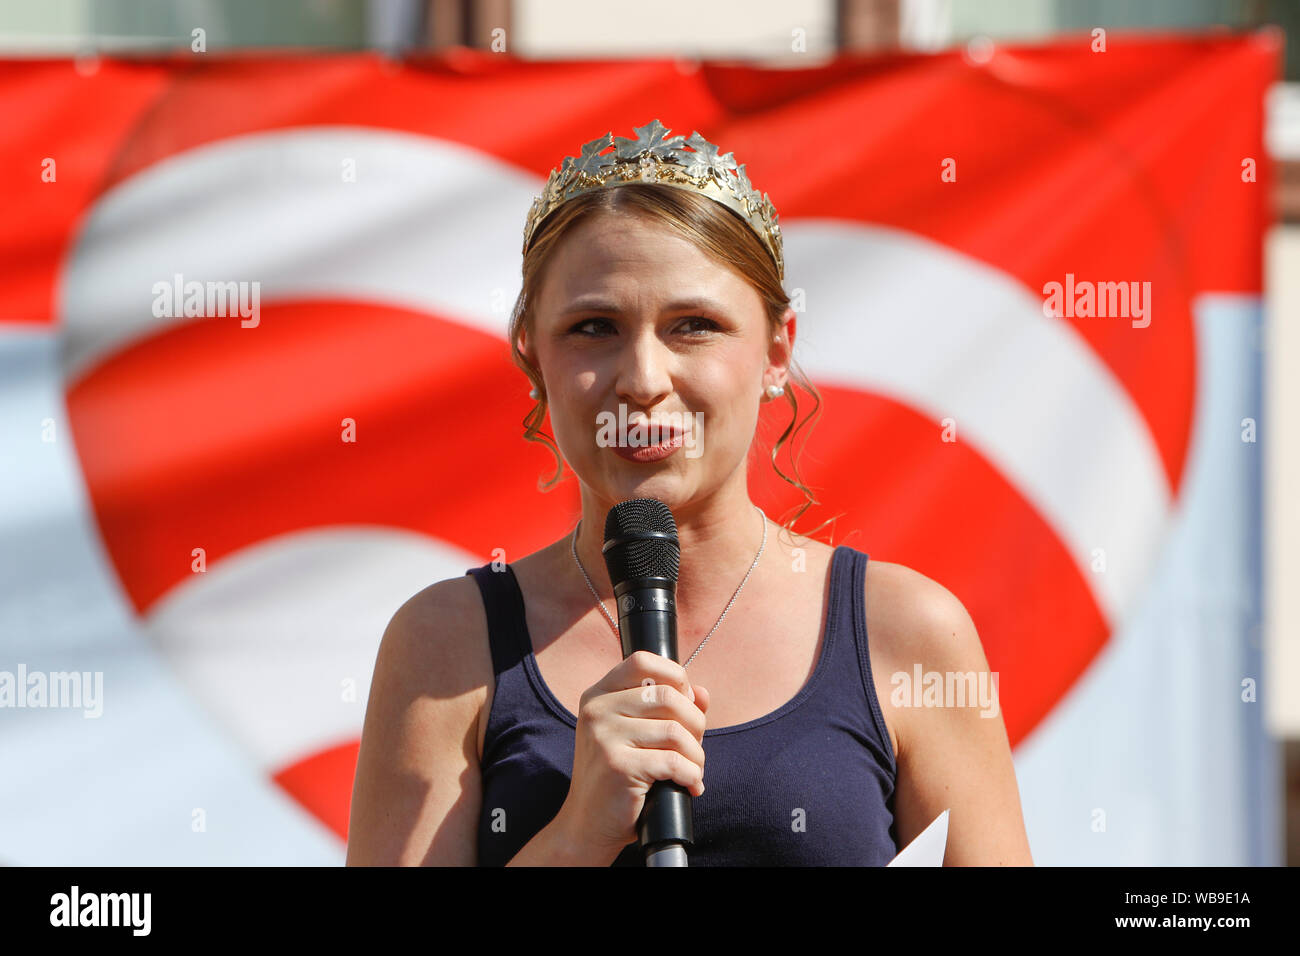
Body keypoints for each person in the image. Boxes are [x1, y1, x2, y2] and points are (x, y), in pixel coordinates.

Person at [345, 120, 1033, 866]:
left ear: (776, 351)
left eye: (694, 326)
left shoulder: (908, 632)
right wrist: (577, 836)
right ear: (532, 354)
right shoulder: (446, 644)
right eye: (593, 327)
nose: (642, 379)